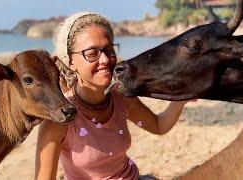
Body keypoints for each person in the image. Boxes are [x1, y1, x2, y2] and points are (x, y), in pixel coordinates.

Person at [35, 12, 190, 180]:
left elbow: (159, 126)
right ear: (71, 61)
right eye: (92, 53)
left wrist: (183, 97)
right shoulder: (60, 118)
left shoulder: (121, 97)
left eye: (108, 50)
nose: (105, 60)